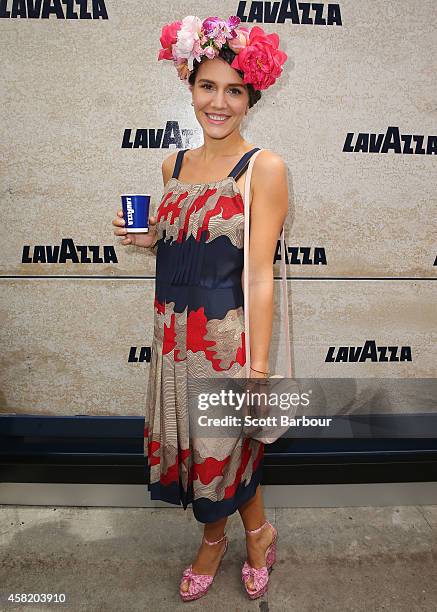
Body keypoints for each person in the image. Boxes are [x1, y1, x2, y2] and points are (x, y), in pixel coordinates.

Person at [112, 15, 290, 602]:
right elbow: (191, 240)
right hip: (172, 337)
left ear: (251, 98)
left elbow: (258, 274)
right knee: (211, 450)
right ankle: (259, 533)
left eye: (233, 90)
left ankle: (216, 541)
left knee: (224, 451)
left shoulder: (263, 169)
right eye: (207, 86)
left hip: (225, 340)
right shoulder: (174, 167)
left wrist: (257, 369)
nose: (218, 102)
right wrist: (151, 239)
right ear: (189, 86)